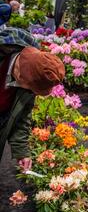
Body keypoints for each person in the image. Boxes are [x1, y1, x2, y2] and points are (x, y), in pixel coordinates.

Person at [0, 27, 65, 171]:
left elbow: (21, 118)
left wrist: (22, 152)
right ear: (20, 75)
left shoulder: (30, 81)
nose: (31, 93)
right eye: (31, 89)